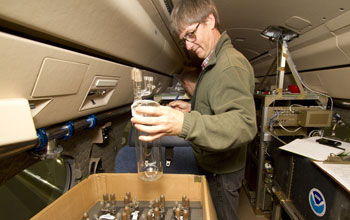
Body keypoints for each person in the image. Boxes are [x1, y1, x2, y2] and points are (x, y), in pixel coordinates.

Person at [131, 0, 257, 219]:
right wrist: (191, 109)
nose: (188, 45)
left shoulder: (230, 65)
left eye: (191, 34)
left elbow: (243, 124)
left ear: (209, 20)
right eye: (184, 40)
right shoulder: (213, 63)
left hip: (222, 171)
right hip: (213, 162)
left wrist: (182, 123)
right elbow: (219, 107)